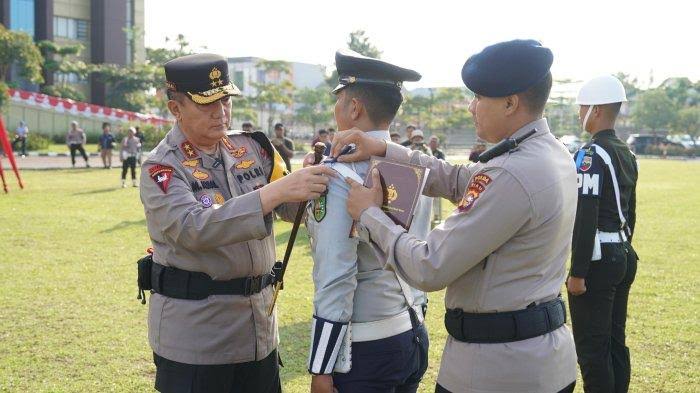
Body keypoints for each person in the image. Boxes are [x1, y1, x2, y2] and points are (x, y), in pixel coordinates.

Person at [333, 39, 578, 393]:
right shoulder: (549, 152)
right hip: (535, 355)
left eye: (480, 97)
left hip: (498, 369)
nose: (471, 106)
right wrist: (387, 149)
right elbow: (460, 179)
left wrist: (371, 215)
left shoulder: (512, 173)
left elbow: (429, 266)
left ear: (511, 103)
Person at [139, 53, 335, 393]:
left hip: (258, 331)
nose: (221, 112)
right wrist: (272, 194)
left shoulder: (253, 150)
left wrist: (311, 184)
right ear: (176, 109)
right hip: (198, 339)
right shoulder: (162, 167)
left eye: (226, 100)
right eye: (207, 104)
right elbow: (193, 228)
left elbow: (289, 208)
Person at [306, 49, 429, 393]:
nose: (336, 108)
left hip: (364, 348)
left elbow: (336, 274)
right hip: (411, 331)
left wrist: (321, 367)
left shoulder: (339, 175)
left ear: (354, 108)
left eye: (339, 99)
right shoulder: (414, 165)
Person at [567, 75, 639, 393]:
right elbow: (631, 211)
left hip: (597, 260)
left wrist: (578, 272)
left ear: (595, 110)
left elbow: (586, 215)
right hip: (622, 251)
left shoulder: (591, 155)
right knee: (614, 343)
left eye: (582, 107)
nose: (579, 112)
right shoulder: (626, 151)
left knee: (592, 352)